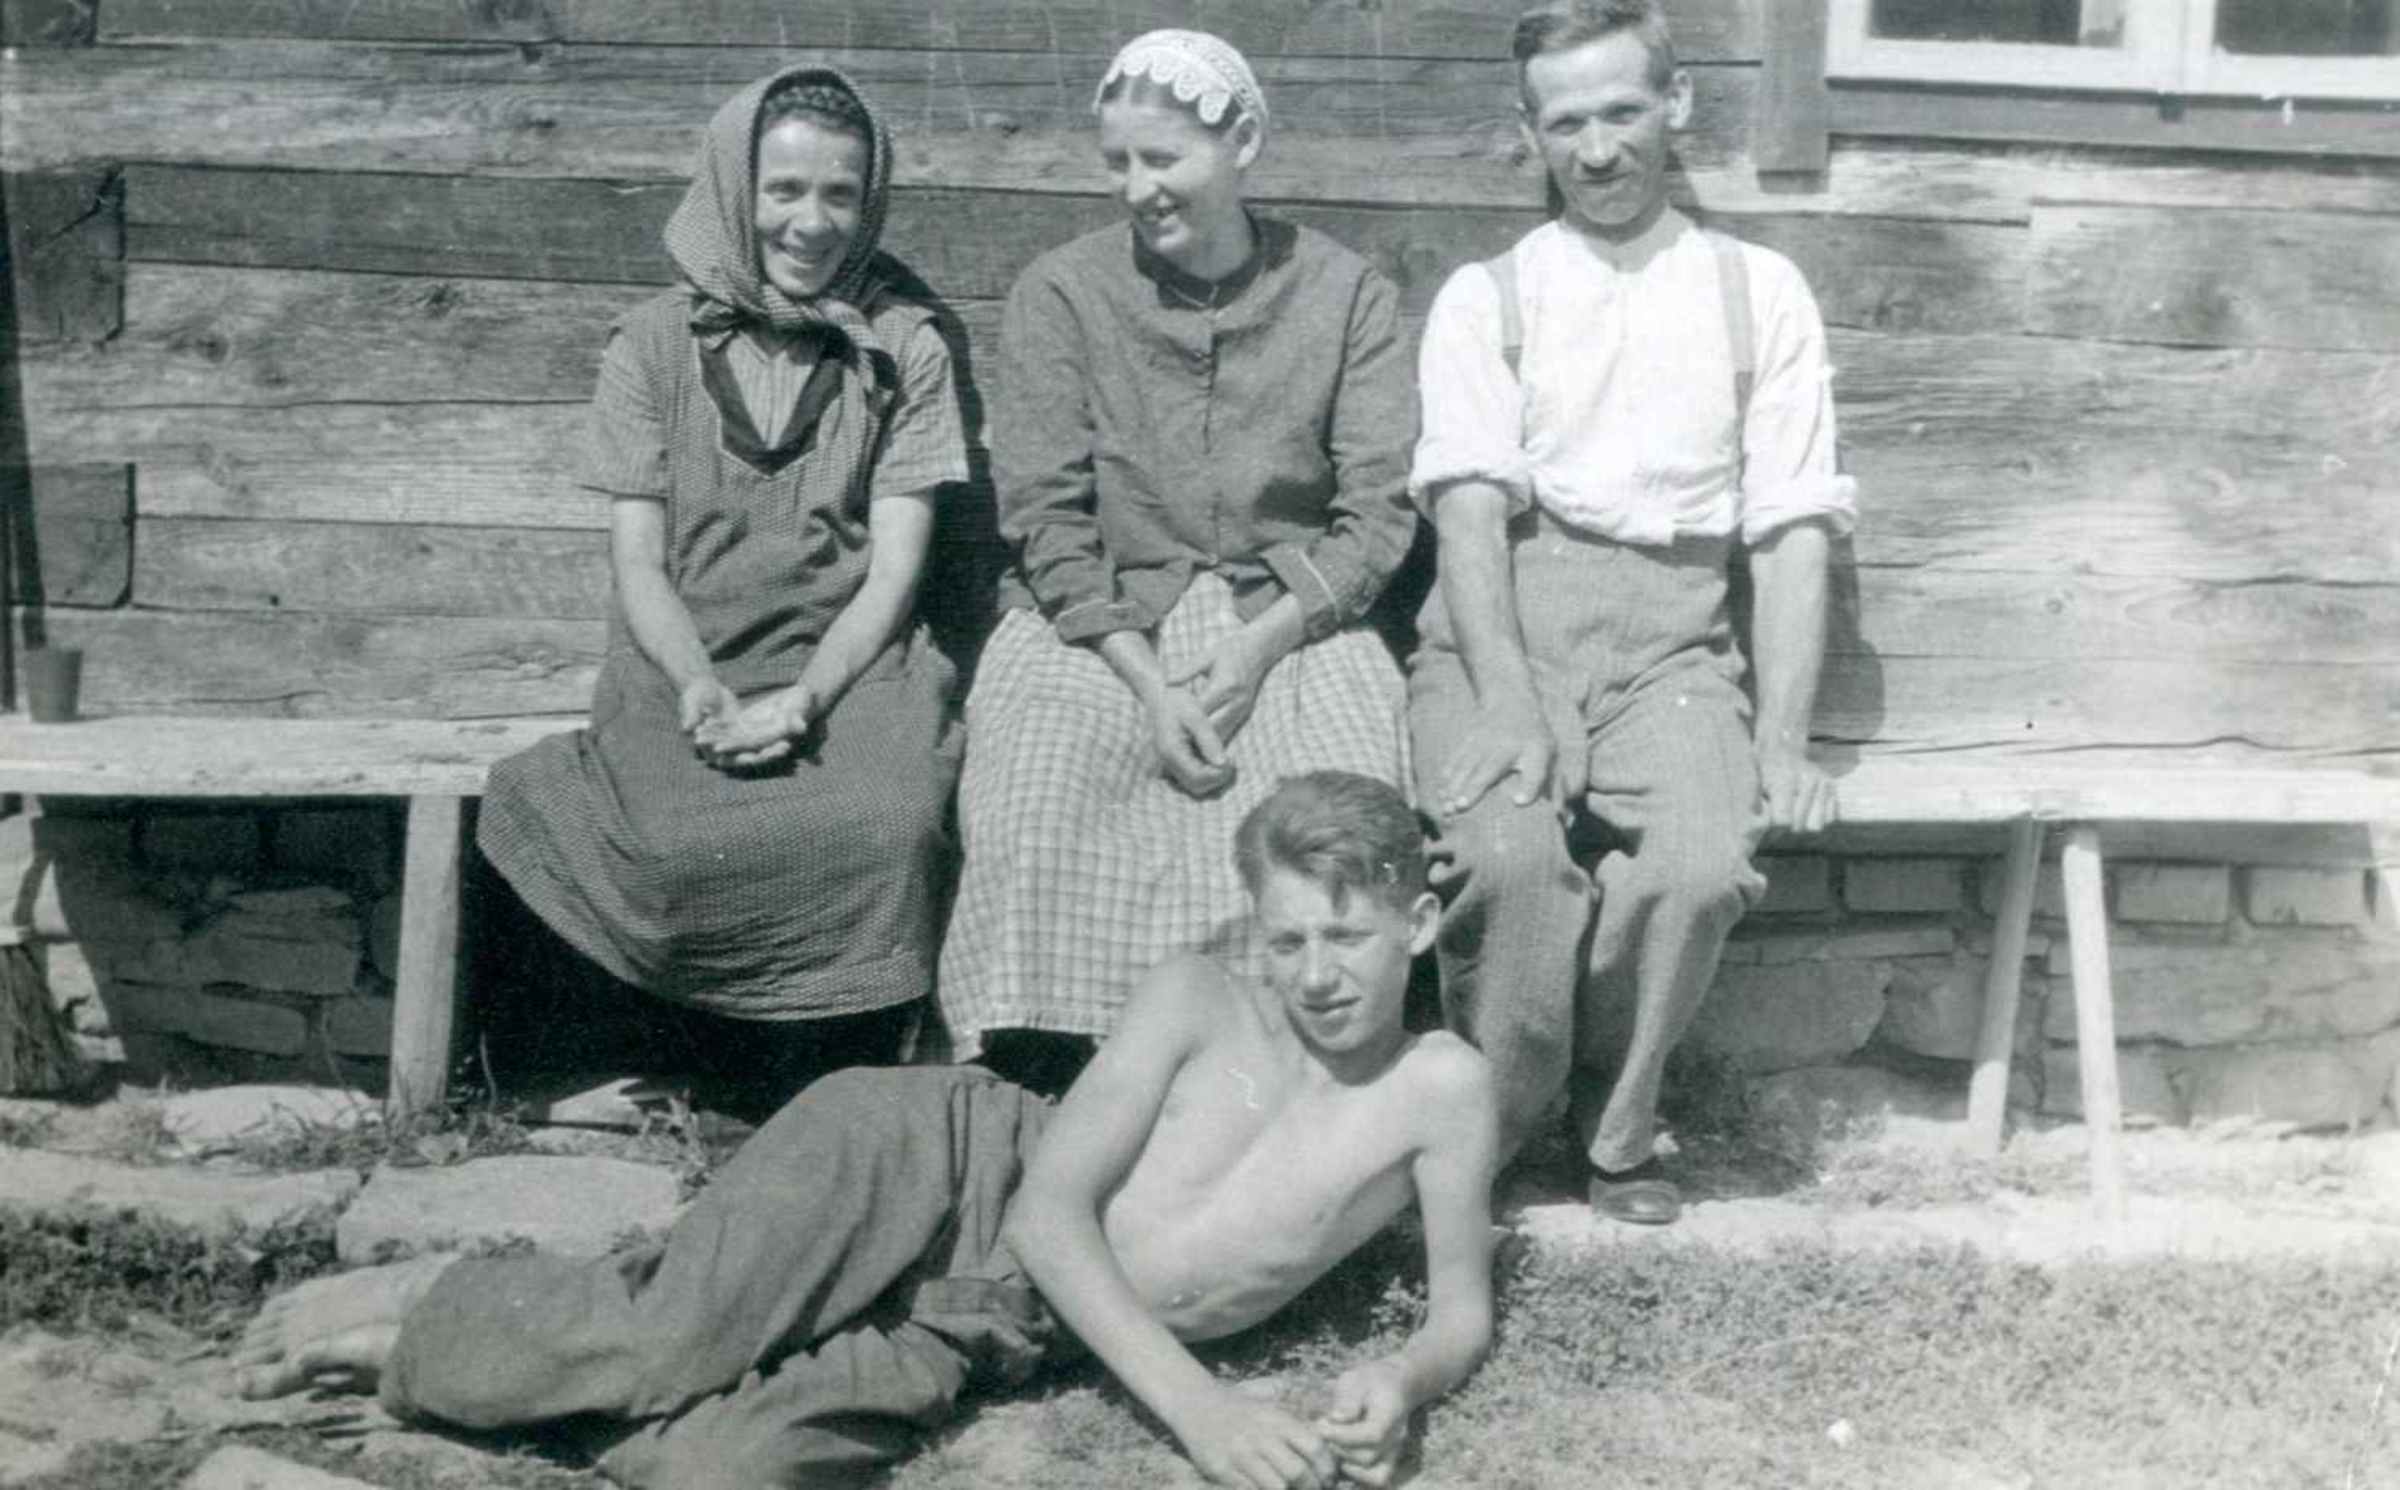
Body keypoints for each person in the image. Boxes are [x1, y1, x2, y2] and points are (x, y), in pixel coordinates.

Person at [231, 772, 1499, 1490]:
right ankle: (440, 1309)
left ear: (1420, 925)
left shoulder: (1441, 1089)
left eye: (1349, 936)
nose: (1316, 972)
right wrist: (1201, 1410)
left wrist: (1401, 1379)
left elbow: (1459, 1313)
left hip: (1000, 1321)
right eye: (1288, 937)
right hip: (942, 1161)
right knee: (676, 1333)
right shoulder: (1199, 994)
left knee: (724, 1465)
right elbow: (1049, 1212)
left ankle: (471, 1343)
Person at [1408, 0, 1858, 1226]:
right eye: (1566, 124)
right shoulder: (1488, 297)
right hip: (1506, 622)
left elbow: (1792, 527)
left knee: (1706, 861)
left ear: (1677, 106)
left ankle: (1613, 1125)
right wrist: (1510, 701)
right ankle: (1496, 1129)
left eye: (1621, 112)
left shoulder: (1757, 291)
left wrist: (1784, 739)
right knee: (1506, 855)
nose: (1598, 150)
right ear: (1530, 134)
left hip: (1676, 639)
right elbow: (1466, 518)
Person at [473, 66, 970, 1117]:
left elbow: (894, 570)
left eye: (839, 194)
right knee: (647, 831)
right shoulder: (652, 345)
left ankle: (834, 1079)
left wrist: (806, 698)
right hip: (682, 653)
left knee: (890, 822)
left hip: (851, 661)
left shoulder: (906, 349)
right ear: (733, 190)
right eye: (783, 190)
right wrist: (699, 684)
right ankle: (658, 1058)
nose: (811, 223)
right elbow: (640, 563)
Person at [934, 30, 1419, 1089]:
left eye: (1164, 158)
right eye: (1118, 162)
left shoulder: (1346, 294)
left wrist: (1259, 648)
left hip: (1292, 615)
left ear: (1242, 143)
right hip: (1102, 620)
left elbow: (1378, 515)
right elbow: (1045, 515)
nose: (1137, 187)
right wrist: (1151, 686)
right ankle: (1038, 1079)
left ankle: (1300, 1079)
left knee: (1340, 813)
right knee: (1035, 794)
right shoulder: (1062, 293)